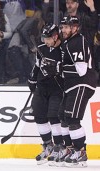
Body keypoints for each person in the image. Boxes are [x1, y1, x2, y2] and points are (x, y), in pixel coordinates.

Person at [42, 16, 97, 167]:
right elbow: (66, 70)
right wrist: (54, 68)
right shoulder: (68, 42)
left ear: (75, 28)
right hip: (73, 84)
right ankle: (70, 149)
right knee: (62, 116)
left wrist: (59, 68)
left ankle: (81, 152)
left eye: (67, 27)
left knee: (72, 119)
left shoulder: (78, 41)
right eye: (63, 27)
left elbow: (81, 70)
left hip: (83, 84)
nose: (64, 30)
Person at [28, 23, 64, 166]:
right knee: (39, 116)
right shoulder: (42, 48)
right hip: (42, 88)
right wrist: (32, 78)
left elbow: (68, 69)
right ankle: (48, 145)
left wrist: (57, 69)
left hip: (57, 89)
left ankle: (59, 147)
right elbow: (37, 65)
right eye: (43, 38)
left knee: (54, 118)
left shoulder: (63, 49)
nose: (45, 41)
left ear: (55, 37)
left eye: (48, 38)